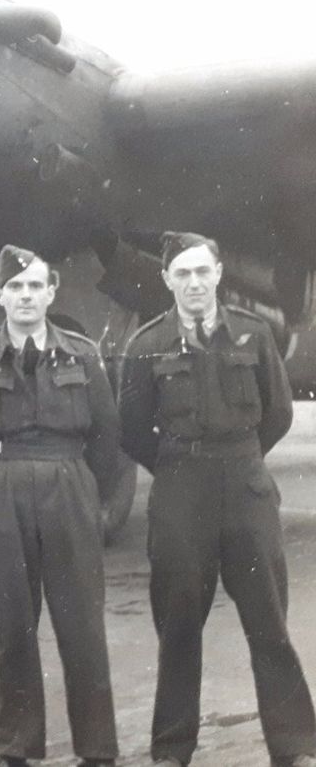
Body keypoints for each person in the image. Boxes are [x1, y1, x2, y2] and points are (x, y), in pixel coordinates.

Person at [118, 231, 316, 767]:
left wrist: (240, 458)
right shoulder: (147, 344)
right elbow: (131, 428)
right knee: (179, 626)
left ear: (219, 273)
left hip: (246, 489)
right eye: (182, 273)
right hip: (181, 492)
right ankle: (171, 750)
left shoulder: (254, 334)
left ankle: (295, 746)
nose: (194, 283)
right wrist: (179, 467)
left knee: (269, 622)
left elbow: (278, 413)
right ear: (166, 279)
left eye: (202, 271)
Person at [0, 244, 118, 767]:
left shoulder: (82, 353)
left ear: (51, 293)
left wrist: (86, 493)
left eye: (35, 286)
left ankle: (97, 749)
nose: (25, 296)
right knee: (13, 627)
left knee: (82, 627)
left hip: (68, 480)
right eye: (15, 287)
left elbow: (107, 435)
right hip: (2, 484)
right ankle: (18, 747)